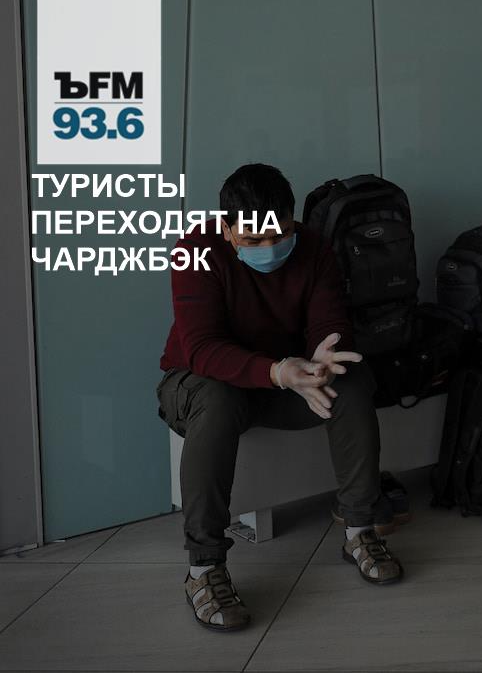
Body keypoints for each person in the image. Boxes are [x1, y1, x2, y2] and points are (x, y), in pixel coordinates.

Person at [156, 164, 402, 632]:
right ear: (226, 230)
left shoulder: (314, 247)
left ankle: (359, 529)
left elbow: (328, 322)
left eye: (280, 235)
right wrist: (276, 371)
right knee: (219, 399)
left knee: (352, 381)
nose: (269, 248)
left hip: (282, 378)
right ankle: (204, 568)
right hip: (198, 380)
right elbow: (203, 348)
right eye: (253, 240)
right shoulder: (195, 251)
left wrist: (323, 358)